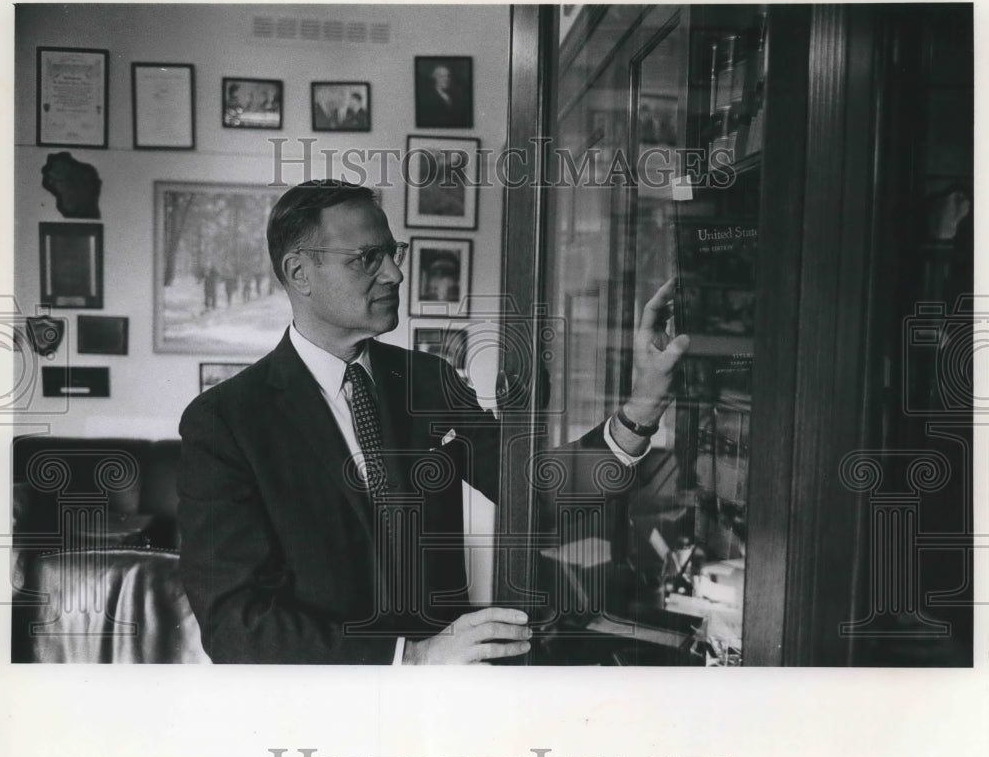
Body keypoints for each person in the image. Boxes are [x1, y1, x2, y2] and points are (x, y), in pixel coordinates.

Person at [176, 179, 688, 665]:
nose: (395, 274)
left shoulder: (429, 382)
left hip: (442, 701)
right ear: (299, 273)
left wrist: (640, 409)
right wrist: (411, 659)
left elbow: (537, 494)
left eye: (392, 253)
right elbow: (234, 623)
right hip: (324, 710)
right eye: (366, 259)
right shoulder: (225, 422)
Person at [416, 64, 470, 128]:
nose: (446, 79)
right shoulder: (427, 98)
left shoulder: (456, 96)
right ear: (435, 78)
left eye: (447, 76)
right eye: (442, 76)